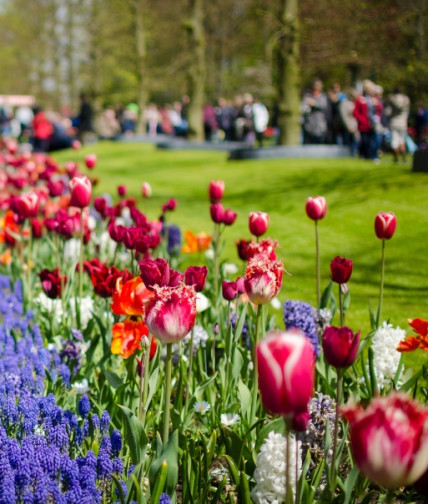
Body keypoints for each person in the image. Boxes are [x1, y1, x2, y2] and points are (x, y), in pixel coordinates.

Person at [386, 87, 410, 163]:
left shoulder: (392, 99)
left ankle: (395, 157)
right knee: (402, 140)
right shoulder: (406, 99)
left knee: (394, 141)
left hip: (394, 122)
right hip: (403, 123)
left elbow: (388, 112)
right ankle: (403, 157)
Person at [302, 79, 328, 144]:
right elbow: (304, 107)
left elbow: (323, 105)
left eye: (318, 85)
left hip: (320, 124)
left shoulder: (323, 97)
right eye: (315, 85)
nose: (317, 87)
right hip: (309, 124)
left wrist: (314, 103)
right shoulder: (308, 96)